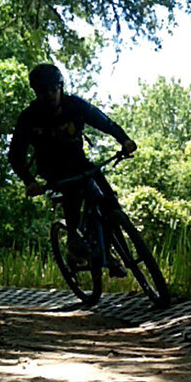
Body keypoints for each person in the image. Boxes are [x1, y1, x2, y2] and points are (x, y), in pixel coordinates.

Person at [8, 64, 137, 272]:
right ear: (36, 92)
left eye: (53, 89)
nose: (49, 95)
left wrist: (125, 140)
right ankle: (73, 239)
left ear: (60, 87)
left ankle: (110, 253)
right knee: (74, 192)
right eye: (43, 91)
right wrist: (29, 181)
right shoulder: (28, 118)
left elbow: (104, 122)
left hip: (80, 163)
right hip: (52, 170)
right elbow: (15, 155)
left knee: (109, 202)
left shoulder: (74, 106)